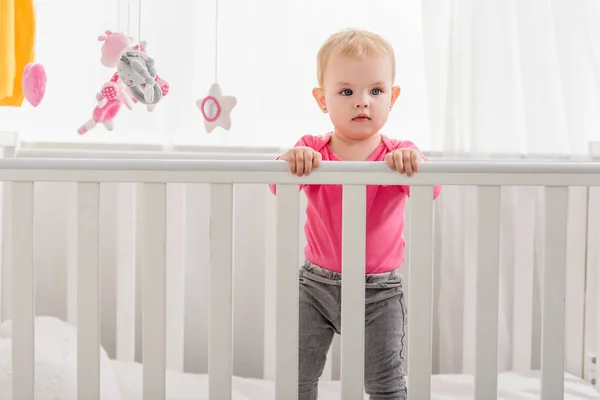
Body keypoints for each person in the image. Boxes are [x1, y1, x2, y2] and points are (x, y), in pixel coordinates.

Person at [269, 28, 442, 400]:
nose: (362, 102)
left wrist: (413, 164)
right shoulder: (313, 151)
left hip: (379, 292)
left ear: (393, 97)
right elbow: (275, 185)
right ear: (322, 100)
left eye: (375, 91)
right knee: (296, 378)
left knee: (386, 384)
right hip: (316, 286)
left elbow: (433, 189)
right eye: (346, 92)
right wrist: (293, 159)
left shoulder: (400, 155)